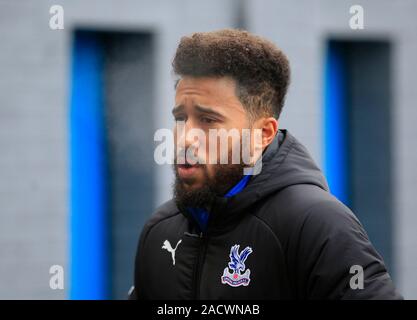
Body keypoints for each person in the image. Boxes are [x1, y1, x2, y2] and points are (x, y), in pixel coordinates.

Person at [130, 29, 402, 299]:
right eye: (180, 118)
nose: (185, 137)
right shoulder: (159, 232)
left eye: (208, 120)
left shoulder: (318, 226)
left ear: (262, 135)